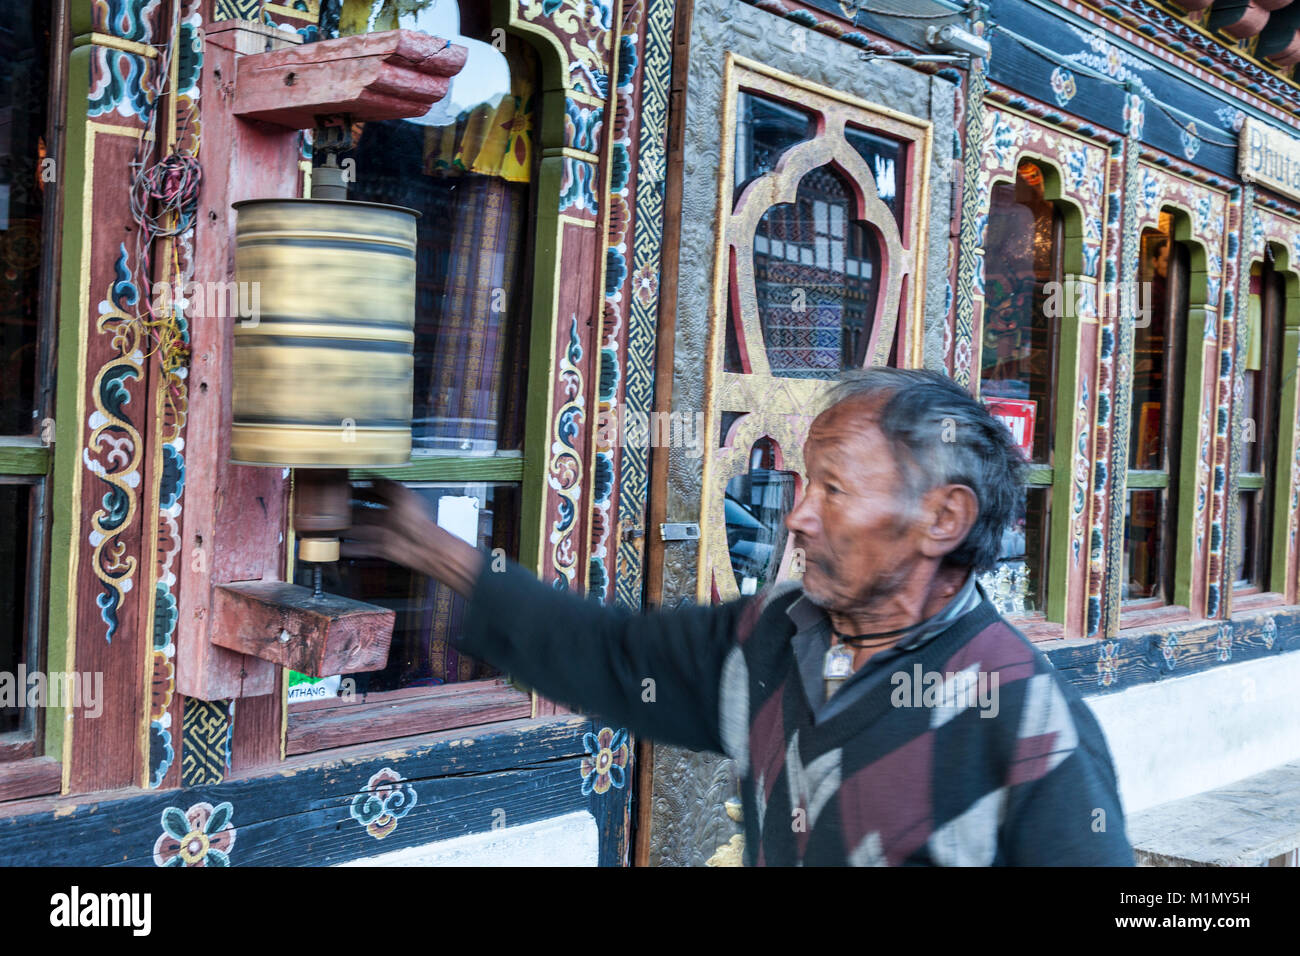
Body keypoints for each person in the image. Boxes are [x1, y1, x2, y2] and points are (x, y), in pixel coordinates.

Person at [343, 367, 1135, 866]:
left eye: (833, 489)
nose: (798, 517)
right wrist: (432, 549)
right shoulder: (773, 638)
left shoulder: (1021, 712)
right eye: (802, 485)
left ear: (943, 519)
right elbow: (612, 655)